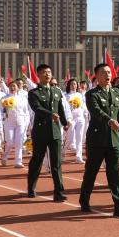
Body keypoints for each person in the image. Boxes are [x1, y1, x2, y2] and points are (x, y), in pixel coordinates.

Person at [80, 63, 119, 217]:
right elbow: (96, 111)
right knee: (91, 172)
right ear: (96, 76)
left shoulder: (116, 92)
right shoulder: (91, 94)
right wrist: (109, 121)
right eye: (103, 72)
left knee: (114, 173)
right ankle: (84, 200)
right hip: (97, 139)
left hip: (114, 139)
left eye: (109, 72)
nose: (108, 75)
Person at [26, 64, 69, 201]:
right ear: (38, 75)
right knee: (37, 160)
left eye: (49, 72)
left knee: (56, 163)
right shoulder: (34, 93)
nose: (47, 74)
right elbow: (36, 108)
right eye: (44, 72)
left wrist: (65, 122)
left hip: (55, 131)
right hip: (41, 131)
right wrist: (50, 114)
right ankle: (31, 187)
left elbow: (60, 108)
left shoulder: (56, 91)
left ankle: (58, 191)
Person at [63, 78, 86, 164]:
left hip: (80, 118)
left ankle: (78, 157)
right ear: (69, 85)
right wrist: (67, 119)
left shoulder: (79, 95)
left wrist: (85, 113)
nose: (73, 85)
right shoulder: (66, 96)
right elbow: (65, 108)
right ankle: (62, 152)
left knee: (79, 137)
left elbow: (83, 106)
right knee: (70, 138)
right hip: (71, 119)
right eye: (72, 84)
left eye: (75, 84)